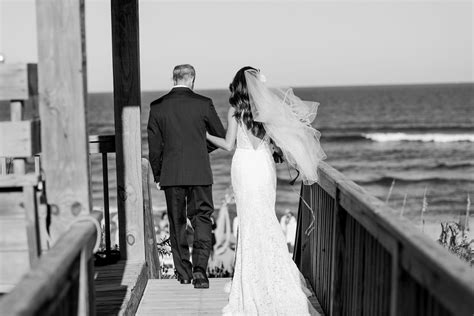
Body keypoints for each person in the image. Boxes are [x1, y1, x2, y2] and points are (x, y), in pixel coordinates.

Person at [206, 66, 325, 315]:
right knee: (265, 218)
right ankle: (273, 275)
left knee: (249, 221)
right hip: (262, 165)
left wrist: (205, 135)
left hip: (243, 166)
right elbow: (282, 139)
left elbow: (228, 144)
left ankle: (252, 279)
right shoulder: (266, 111)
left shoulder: (234, 111)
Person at [147, 64, 226, 289]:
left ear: (173, 79)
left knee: (177, 223)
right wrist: (200, 150)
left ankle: (183, 273)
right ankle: (200, 270)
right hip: (200, 172)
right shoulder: (203, 104)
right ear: (192, 79)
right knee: (202, 218)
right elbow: (220, 136)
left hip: (171, 175)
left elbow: (154, 148)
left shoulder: (157, 107)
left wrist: (159, 173)